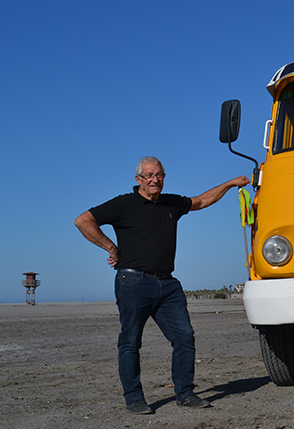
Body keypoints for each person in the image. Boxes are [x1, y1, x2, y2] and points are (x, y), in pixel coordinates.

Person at [75, 157, 250, 414]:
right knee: (130, 341)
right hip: (133, 281)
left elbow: (202, 201)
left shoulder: (171, 203)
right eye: (149, 175)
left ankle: (185, 393)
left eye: (159, 175)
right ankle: (134, 398)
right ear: (139, 180)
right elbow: (83, 221)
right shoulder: (124, 204)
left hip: (167, 284)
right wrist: (110, 247)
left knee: (184, 337)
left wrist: (232, 183)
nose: (154, 179)